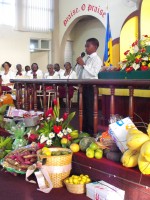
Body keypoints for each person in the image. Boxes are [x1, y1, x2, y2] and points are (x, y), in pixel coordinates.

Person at [76, 38, 102, 135]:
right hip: (83, 86)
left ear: (94, 47)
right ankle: (83, 130)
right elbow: (80, 73)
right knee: (82, 109)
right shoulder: (87, 58)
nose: (85, 48)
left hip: (91, 87)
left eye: (88, 46)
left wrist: (84, 65)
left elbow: (94, 73)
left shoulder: (97, 59)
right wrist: (79, 65)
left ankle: (91, 132)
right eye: (85, 46)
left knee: (89, 110)